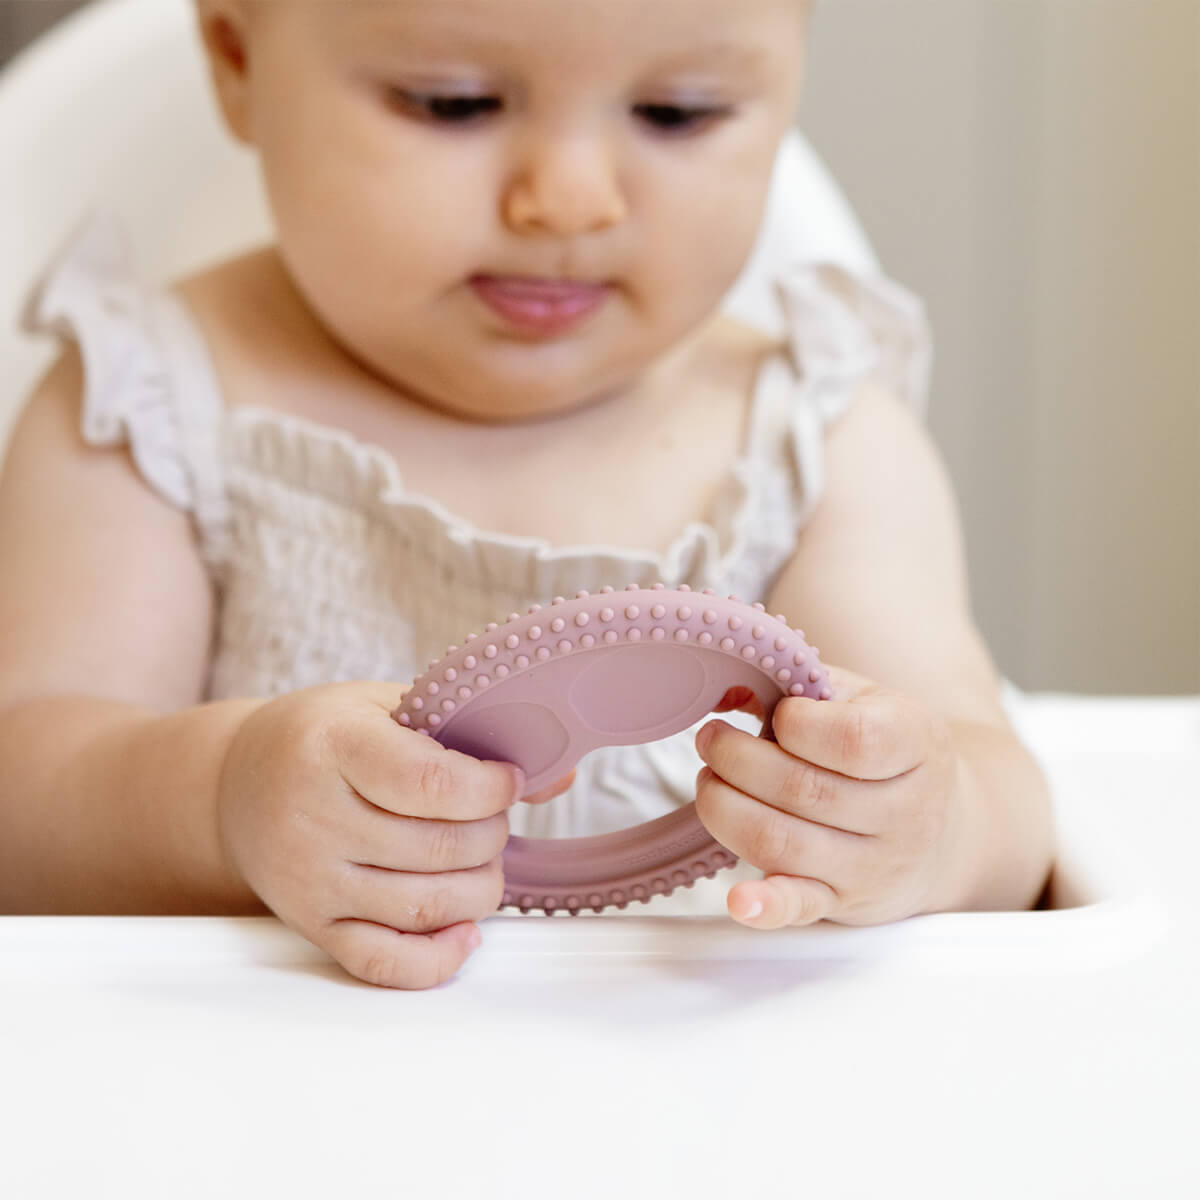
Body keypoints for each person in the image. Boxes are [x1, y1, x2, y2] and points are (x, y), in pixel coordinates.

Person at [0, 0, 1053, 989]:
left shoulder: (817, 437)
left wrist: (927, 827)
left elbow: (1008, 810)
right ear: (237, 60)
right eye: (454, 102)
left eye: (676, 113)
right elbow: (24, 811)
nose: (567, 200)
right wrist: (225, 803)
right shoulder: (145, 405)